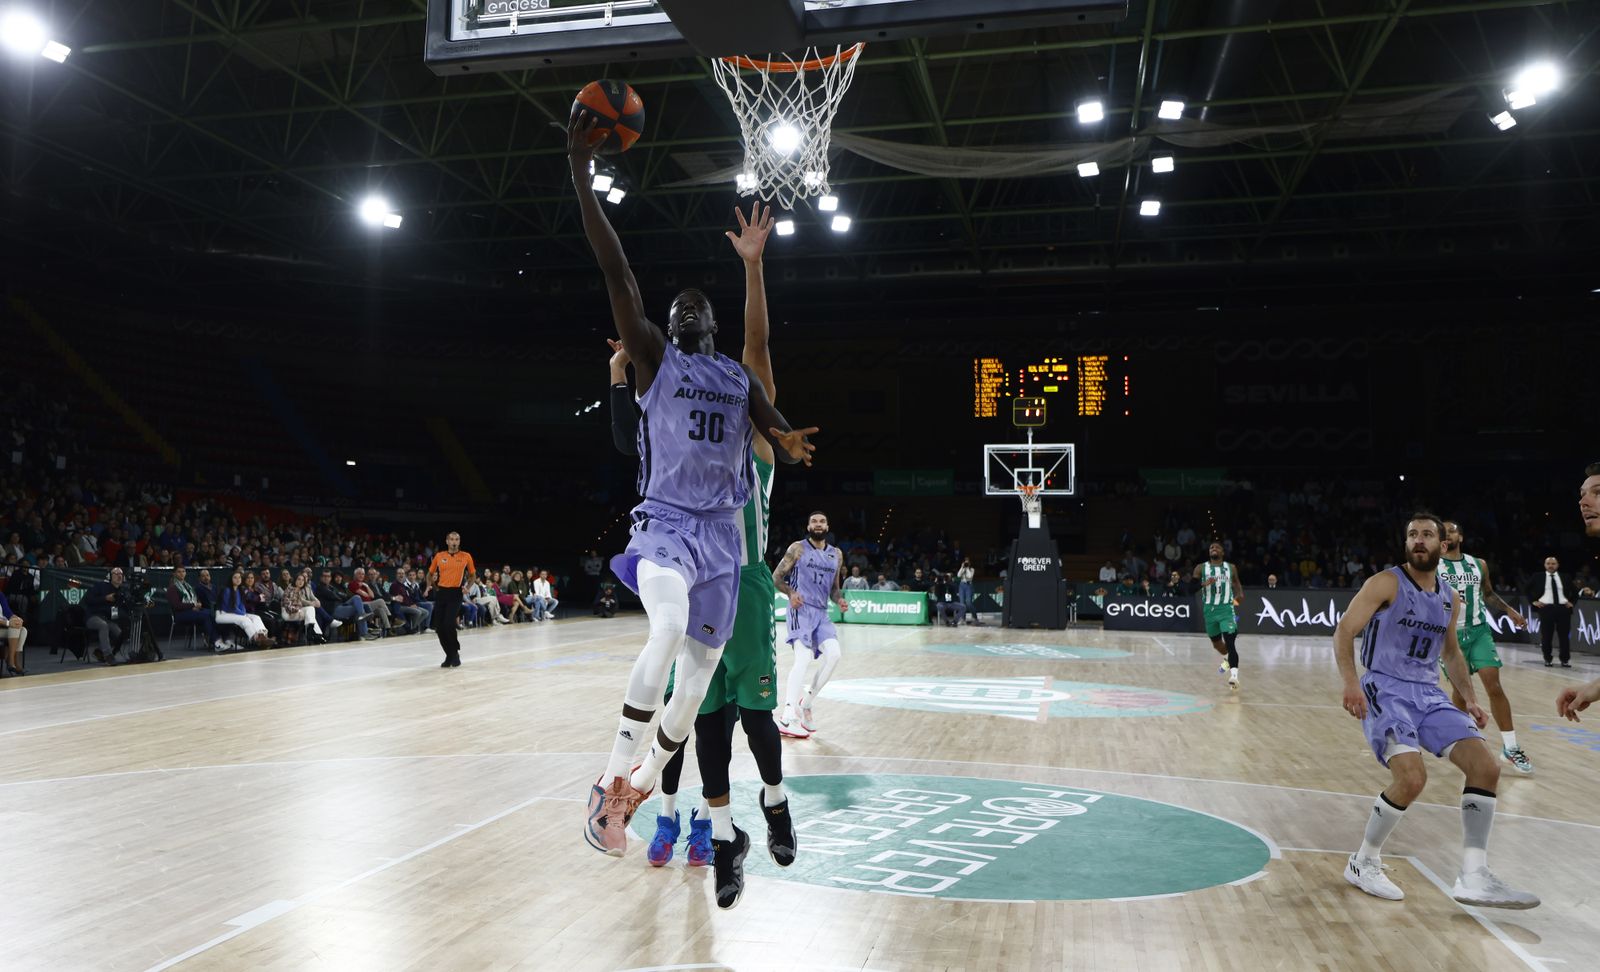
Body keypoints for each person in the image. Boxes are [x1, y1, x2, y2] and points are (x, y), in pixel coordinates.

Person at [570, 116, 816, 900]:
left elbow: (764, 374)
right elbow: (619, 277)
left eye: (693, 308)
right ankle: (613, 781)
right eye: (676, 309)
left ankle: (649, 786)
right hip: (668, 525)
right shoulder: (657, 356)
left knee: (700, 685)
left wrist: (787, 435)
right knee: (671, 637)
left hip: (727, 555)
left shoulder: (738, 387)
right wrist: (580, 173)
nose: (685, 308)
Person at [608, 202, 799, 908]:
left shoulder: (749, 422)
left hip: (741, 579)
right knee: (695, 720)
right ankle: (702, 832)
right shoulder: (697, 423)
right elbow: (640, 437)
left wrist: (753, 270)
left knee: (753, 716)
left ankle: (772, 806)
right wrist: (625, 382)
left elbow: (755, 347)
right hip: (688, 563)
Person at [1334, 512, 1537, 909]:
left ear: (1442, 545)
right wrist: (1350, 682)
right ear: (1406, 544)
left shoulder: (1450, 596)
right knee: (1411, 779)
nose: (1419, 540)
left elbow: (1451, 651)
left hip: (1429, 694)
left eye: (1427, 534)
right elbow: (1344, 630)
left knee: (1486, 767)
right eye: (1412, 535)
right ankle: (1363, 861)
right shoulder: (1386, 582)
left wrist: (1471, 697)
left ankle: (1474, 875)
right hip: (1386, 690)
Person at [1437, 522, 1532, 774]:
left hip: (1479, 632)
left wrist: (1510, 611)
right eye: (1443, 531)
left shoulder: (1478, 564)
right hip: (1449, 637)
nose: (1448, 534)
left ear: (1462, 536)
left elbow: (1488, 593)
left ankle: (1510, 748)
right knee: (1461, 693)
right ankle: (1460, 742)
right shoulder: (1433, 564)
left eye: (1453, 530)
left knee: (1495, 686)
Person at [773, 511, 847, 738]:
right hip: (800, 609)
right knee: (803, 658)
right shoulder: (798, 548)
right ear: (808, 526)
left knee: (834, 655)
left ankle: (806, 703)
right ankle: (787, 714)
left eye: (822, 521)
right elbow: (777, 576)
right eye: (814, 521)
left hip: (821, 613)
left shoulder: (836, 554)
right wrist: (791, 592)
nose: (818, 524)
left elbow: (834, 589)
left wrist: (839, 599)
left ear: (827, 525)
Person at [1194, 541, 1244, 690]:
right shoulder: (1201, 568)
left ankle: (1234, 677)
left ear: (1222, 552)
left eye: (1216, 547)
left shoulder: (1231, 567)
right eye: (1211, 547)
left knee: (1230, 643)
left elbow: (1236, 583)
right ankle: (1228, 659)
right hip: (1209, 611)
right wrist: (1203, 584)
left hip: (1226, 610)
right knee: (1219, 647)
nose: (1213, 549)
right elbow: (1189, 586)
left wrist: (1239, 593)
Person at [1531, 555, 1574, 668]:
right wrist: (1534, 601)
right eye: (1548, 563)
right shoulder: (1538, 576)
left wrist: (1571, 602)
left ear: (1557, 565)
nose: (1550, 566)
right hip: (1546, 609)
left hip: (1563, 609)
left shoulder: (1565, 577)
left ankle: (1565, 660)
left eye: (1553, 563)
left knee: (1564, 636)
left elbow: (1575, 591)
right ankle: (1547, 659)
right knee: (1546, 636)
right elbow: (1526, 589)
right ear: (1545, 565)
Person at [167, 566, 224, 650]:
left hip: (192, 611)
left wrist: (198, 604)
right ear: (174, 574)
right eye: (179, 572)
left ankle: (218, 640)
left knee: (212, 612)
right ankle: (216, 641)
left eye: (183, 571)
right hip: (180, 614)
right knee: (206, 615)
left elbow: (196, 600)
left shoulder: (187, 586)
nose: (181, 573)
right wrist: (193, 605)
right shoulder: (172, 588)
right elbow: (176, 605)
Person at [84, 567, 129, 663]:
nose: (119, 576)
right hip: (93, 616)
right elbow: (88, 599)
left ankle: (100, 652)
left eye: (121, 574)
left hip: (108, 619)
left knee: (120, 634)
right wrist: (105, 598)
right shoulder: (100, 586)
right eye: (116, 574)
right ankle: (108, 655)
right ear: (110, 576)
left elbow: (123, 608)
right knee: (103, 625)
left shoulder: (121, 592)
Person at [217, 569, 270, 649]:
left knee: (256, 617)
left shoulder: (239, 590)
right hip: (223, 614)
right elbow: (231, 608)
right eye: (235, 577)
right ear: (231, 579)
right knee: (245, 620)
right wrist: (243, 615)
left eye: (239, 577)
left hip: (236, 613)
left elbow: (241, 605)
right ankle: (256, 640)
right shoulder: (227, 590)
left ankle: (263, 636)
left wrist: (244, 613)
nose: (238, 579)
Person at [1, 588, 27, 675]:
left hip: (4, 627)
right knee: (14, 627)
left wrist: (16, 619)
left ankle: (13, 660)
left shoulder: (0, 595)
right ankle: (12, 661)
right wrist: (8, 623)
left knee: (23, 630)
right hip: (3, 625)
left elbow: (8, 612)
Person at [956, 557, 977, 623]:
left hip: (969, 586)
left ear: (970, 563)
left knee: (969, 603)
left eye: (967, 562)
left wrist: (967, 568)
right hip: (962, 585)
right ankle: (962, 618)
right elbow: (958, 575)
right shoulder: (962, 568)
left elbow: (970, 577)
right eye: (965, 562)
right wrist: (962, 567)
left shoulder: (972, 569)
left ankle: (974, 617)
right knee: (962, 603)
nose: (966, 563)